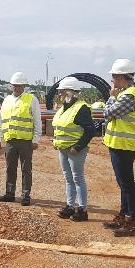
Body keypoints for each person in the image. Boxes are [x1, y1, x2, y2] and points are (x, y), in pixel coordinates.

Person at [102, 59, 135, 237]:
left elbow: (109, 113)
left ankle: (132, 221)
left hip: (125, 146)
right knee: (123, 184)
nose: (112, 81)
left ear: (121, 77)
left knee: (127, 184)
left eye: (113, 77)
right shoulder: (126, 94)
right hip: (118, 144)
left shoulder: (131, 95)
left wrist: (111, 97)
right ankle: (123, 216)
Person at [51, 77, 96, 222]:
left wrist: (78, 147)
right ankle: (70, 206)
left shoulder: (81, 108)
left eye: (62, 91)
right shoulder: (64, 107)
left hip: (75, 150)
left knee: (78, 178)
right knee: (68, 179)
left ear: (70, 92)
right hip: (63, 149)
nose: (59, 94)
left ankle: (82, 209)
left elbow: (90, 130)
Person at [0, 72, 42, 206]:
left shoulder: (31, 99)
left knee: (26, 169)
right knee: (10, 168)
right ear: (12, 86)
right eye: (15, 85)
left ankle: (25, 195)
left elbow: (37, 121)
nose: (17, 88)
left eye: (19, 85)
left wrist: (35, 140)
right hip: (10, 141)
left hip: (26, 142)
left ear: (24, 86)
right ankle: (10, 193)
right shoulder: (7, 100)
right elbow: (1, 120)